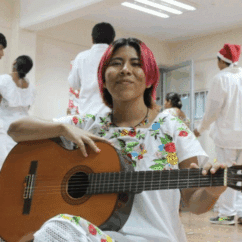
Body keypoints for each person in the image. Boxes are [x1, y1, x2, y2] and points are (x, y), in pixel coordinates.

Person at [9, 38, 227, 242]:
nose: (125, 70)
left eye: (136, 64)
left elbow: (193, 202)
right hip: (96, 236)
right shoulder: (87, 125)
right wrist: (63, 128)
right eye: (116, 63)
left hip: (157, 238)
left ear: (149, 76)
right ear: (103, 77)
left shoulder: (171, 129)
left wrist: (211, 191)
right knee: (55, 229)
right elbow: (16, 129)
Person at [194, 43, 242, 225]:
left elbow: (213, 111)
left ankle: (226, 215)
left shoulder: (220, 79)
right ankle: (240, 211)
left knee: (227, 176)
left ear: (222, 60)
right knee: (240, 176)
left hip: (227, 136)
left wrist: (200, 129)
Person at [68, 22, 116, 116]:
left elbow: (74, 84)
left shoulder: (81, 57)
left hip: (86, 114)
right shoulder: (117, 57)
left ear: (92, 38)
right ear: (113, 40)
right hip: (110, 115)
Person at [0, 55, 35, 169]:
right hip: (25, 127)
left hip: (6, 127)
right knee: (19, 163)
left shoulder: (4, 80)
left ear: (14, 62)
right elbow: (27, 108)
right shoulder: (30, 86)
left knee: (4, 162)